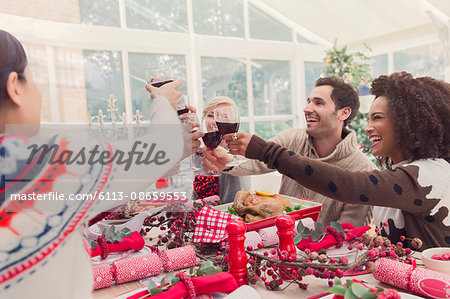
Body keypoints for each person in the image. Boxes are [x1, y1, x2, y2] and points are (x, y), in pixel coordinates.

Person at [0, 29, 187, 297]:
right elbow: (162, 149)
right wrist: (162, 102)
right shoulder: (42, 163)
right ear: (14, 87)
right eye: (33, 80)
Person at [207, 72, 450, 250]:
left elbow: (347, 186)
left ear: (407, 123)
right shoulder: (404, 171)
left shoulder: (427, 176)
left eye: (377, 118)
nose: (367, 127)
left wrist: (267, 151)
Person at [205, 77, 376, 226]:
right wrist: (225, 161)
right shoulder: (293, 139)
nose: (307, 108)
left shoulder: (363, 171)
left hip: (322, 257)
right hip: (275, 245)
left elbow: (348, 233)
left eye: (318, 103)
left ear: (343, 113)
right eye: (308, 101)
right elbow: (256, 163)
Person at [192, 96, 250, 202]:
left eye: (224, 116)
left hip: (232, 214)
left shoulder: (239, 152)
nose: (216, 121)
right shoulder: (197, 154)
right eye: (211, 115)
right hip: (200, 215)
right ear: (203, 120)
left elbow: (248, 164)